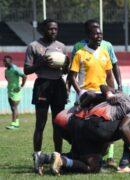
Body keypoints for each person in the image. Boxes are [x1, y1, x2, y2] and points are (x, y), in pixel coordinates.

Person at [34, 86, 130, 175]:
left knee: (92, 165)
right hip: (93, 126)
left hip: (79, 124)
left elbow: (101, 87)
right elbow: (124, 128)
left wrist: (108, 94)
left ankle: (48, 158)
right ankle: (124, 164)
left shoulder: (122, 95)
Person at [24, 19, 69, 175]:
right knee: (40, 124)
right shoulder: (33, 46)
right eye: (50, 29)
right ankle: (37, 157)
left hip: (58, 85)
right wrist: (40, 63)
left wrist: (66, 65)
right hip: (42, 85)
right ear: (44, 29)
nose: (53, 31)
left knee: (59, 124)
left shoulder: (61, 47)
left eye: (56, 29)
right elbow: (26, 70)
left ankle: (57, 158)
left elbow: (64, 72)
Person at [69, 25, 116, 166]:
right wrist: (80, 92)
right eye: (96, 34)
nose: (99, 36)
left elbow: (109, 75)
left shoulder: (104, 53)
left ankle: (108, 157)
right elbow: (72, 76)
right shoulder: (80, 54)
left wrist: (112, 90)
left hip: (102, 95)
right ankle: (80, 154)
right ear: (89, 36)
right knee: (83, 127)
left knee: (108, 124)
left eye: (101, 34)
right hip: (86, 96)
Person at [70, 19, 122, 91]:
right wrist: (74, 91)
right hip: (85, 93)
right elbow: (72, 74)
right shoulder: (79, 49)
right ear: (88, 34)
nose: (99, 36)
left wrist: (116, 88)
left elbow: (111, 72)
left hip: (102, 92)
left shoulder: (106, 48)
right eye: (95, 32)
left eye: (100, 33)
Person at [3, 55, 27, 129]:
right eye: (4, 62)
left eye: (6, 62)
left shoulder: (15, 69)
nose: (4, 63)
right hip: (10, 90)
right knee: (13, 108)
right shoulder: (6, 70)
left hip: (16, 91)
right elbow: (7, 78)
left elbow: (24, 76)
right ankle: (16, 124)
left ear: (10, 62)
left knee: (14, 108)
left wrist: (21, 86)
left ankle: (13, 124)